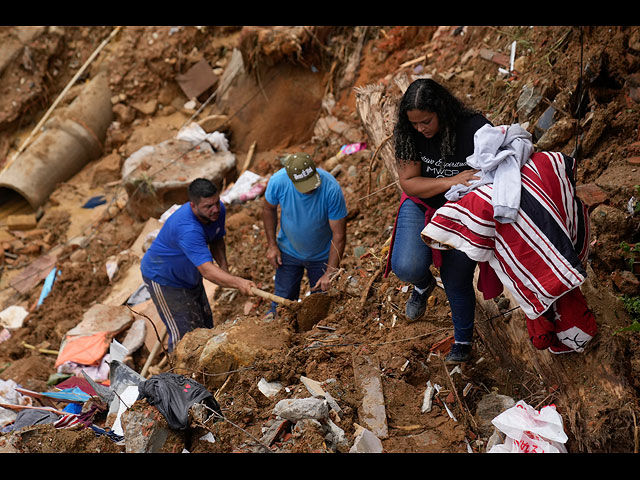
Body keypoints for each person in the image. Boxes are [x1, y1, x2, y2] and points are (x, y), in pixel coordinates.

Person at [386, 78, 492, 364]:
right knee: (406, 265)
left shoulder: (475, 127)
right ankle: (422, 284)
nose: (421, 128)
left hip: (463, 210)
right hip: (423, 202)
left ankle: (462, 342)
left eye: (427, 121)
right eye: (415, 123)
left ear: (443, 110)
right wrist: (450, 181)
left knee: (455, 276)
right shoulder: (408, 133)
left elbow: (496, 169)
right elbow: (409, 183)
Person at [141, 178, 256, 352]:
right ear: (193, 206)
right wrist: (238, 282)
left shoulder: (218, 212)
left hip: (189, 276)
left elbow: (217, 238)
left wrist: (225, 269)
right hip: (165, 280)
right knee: (185, 339)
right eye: (208, 206)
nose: (215, 209)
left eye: (216, 203)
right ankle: (179, 377)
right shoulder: (189, 229)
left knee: (205, 329)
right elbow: (207, 271)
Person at [262, 152, 347, 315]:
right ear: (291, 179)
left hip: (322, 255)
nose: (310, 190)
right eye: (304, 186)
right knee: (282, 303)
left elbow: (339, 235)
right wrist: (272, 245)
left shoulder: (331, 188)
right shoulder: (278, 181)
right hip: (288, 250)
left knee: (320, 308)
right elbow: (268, 209)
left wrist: (330, 271)